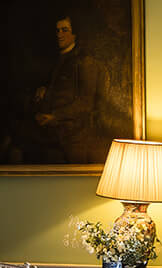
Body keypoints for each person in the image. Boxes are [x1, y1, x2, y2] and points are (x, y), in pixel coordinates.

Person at [31, 15, 110, 165]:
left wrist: (55, 116)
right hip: (53, 133)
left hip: (76, 136)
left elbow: (86, 102)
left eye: (64, 30)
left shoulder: (85, 61)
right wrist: (43, 93)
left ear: (75, 34)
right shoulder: (57, 59)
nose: (59, 34)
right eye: (57, 30)